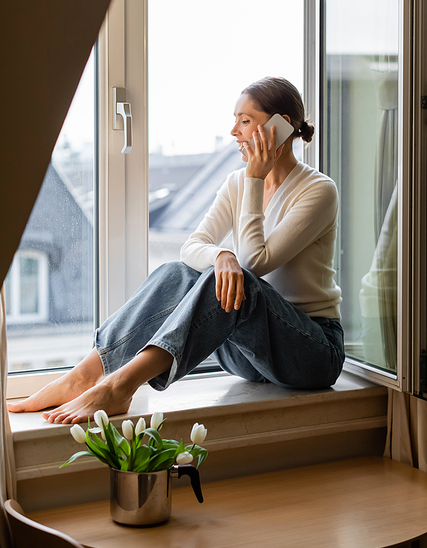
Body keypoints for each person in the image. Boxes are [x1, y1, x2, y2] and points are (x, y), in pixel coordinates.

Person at [8, 77, 344, 424]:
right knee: (178, 273)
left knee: (238, 278)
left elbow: (255, 263)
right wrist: (220, 255)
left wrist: (255, 180)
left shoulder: (318, 191)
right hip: (248, 353)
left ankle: (121, 385)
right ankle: (84, 375)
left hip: (311, 351)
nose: (234, 132)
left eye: (245, 121)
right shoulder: (236, 183)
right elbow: (191, 247)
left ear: (281, 126)